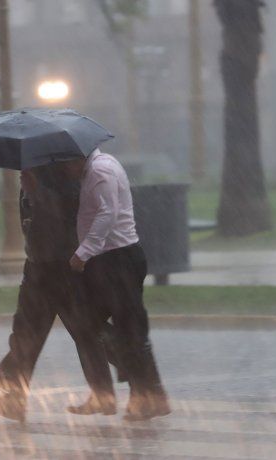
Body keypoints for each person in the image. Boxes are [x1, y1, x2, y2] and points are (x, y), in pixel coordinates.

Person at [0, 165, 118, 422]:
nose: (20, 171)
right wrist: (31, 191)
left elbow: (65, 218)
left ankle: (131, 371)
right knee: (28, 333)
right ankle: (13, 398)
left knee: (85, 331)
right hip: (38, 269)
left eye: (25, 168)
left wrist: (38, 191)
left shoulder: (64, 178)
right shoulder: (31, 181)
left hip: (62, 269)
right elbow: (31, 226)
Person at [63, 148, 171, 422]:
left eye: (66, 163)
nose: (65, 170)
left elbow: (106, 215)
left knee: (131, 331)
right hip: (108, 261)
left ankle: (148, 397)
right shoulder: (95, 168)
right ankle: (137, 384)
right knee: (88, 325)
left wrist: (83, 252)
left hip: (118, 259)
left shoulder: (100, 171)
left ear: (78, 156)